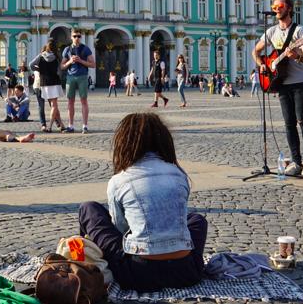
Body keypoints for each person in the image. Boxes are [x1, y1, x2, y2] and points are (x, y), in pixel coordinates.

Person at [78, 113, 207, 292]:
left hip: (138, 274)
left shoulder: (120, 180)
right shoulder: (179, 174)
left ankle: (86, 261)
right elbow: (178, 221)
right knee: (197, 220)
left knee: (89, 208)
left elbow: (121, 228)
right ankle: (190, 260)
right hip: (186, 272)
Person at [252, 0, 303, 176]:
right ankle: (296, 162)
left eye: (279, 6)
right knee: (289, 124)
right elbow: (255, 51)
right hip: (281, 82)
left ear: (288, 8)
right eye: (274, 7)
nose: (276, 9)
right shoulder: (271, 32)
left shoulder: (300, 31)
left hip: (301, 81)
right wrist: (262, 64)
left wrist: (296, 56)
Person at [61, 30, 95, 134]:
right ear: (71, 37)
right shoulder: (67, 49)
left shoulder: (85, 49)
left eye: (79, 36)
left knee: (83, 101)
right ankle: (70, 126)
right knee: (70, 102)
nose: (77, 38)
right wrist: (70, 62)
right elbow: (62, 66)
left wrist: (80, 61)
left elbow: (93, 64)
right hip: (70, 77)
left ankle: (85, 126)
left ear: (81, 37)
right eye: (74, 36)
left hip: (82, 77)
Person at [30, 39, 66, 133]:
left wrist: (39, 69)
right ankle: (50, 126)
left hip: (44, 82)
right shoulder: (56, 56)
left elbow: (31, 65)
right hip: (54, 81)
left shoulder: (41, 56)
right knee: (54, 105)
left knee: (52, 106)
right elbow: (60, 69)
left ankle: (61, 124)